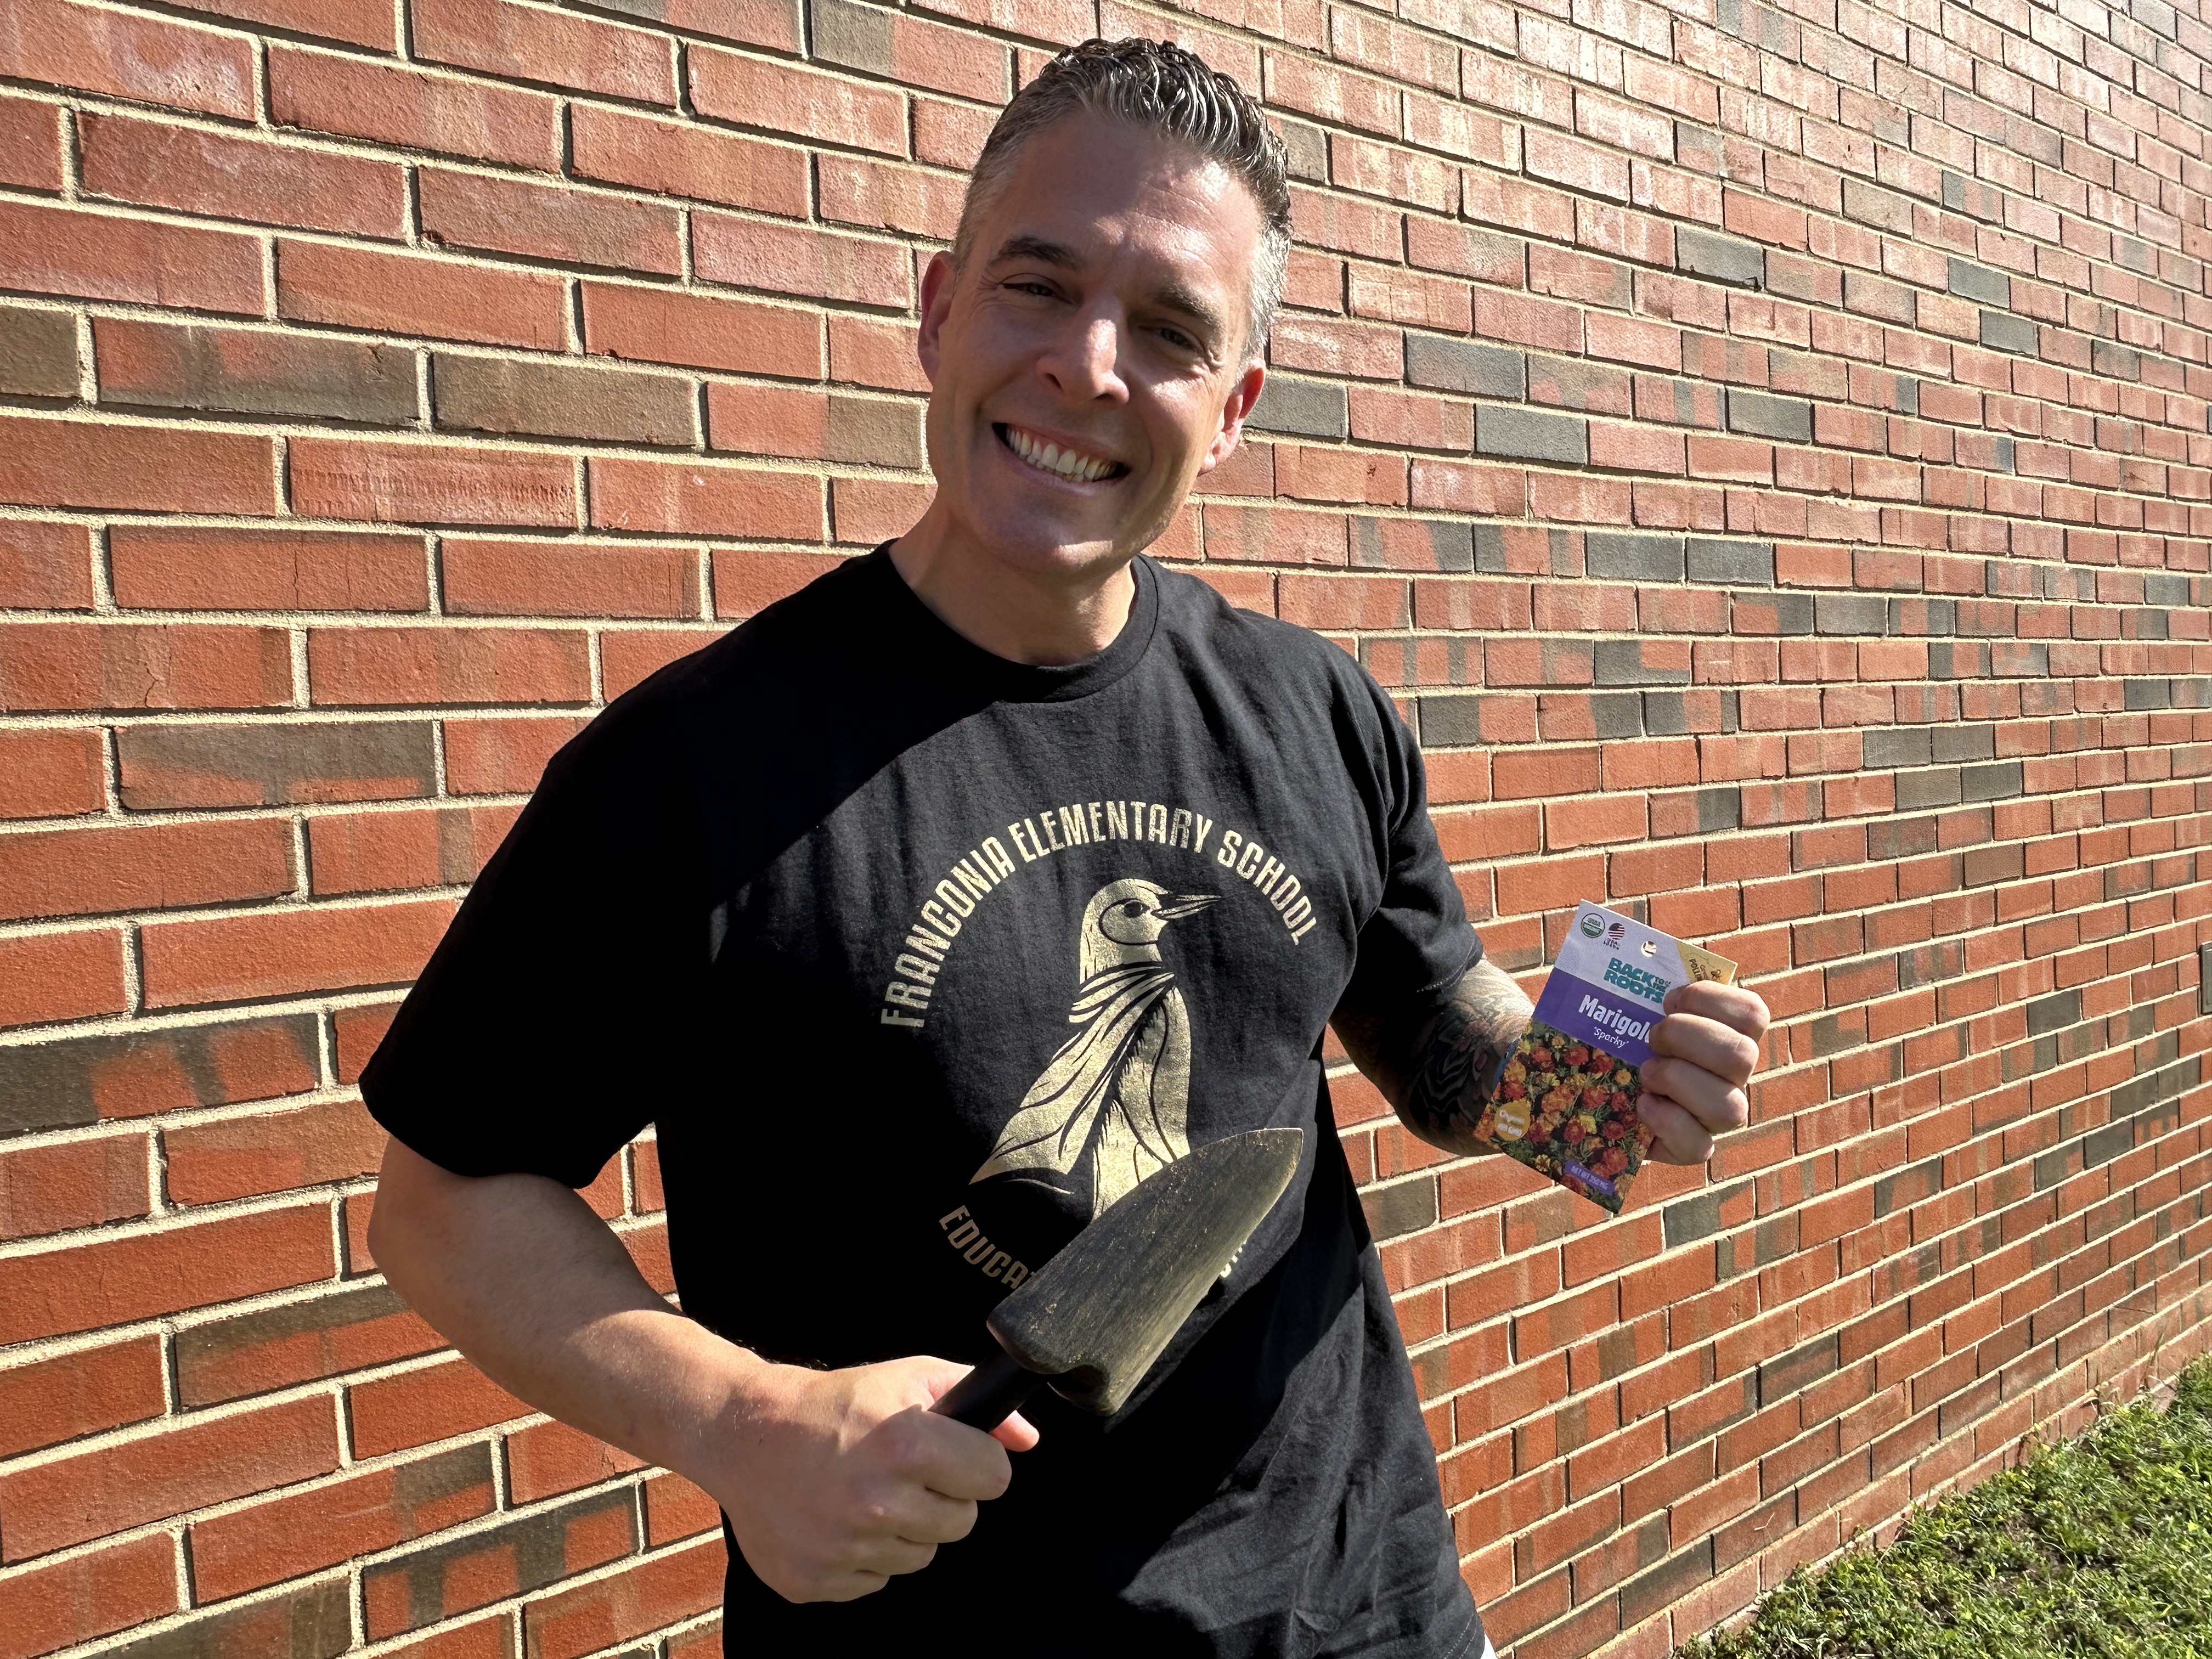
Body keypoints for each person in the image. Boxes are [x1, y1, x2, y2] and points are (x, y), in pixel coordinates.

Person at [363, 38, 1769, 1658]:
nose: (1091, 368)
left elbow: (1441, 1043)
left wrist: (1612, 1082)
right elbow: (444, 1200)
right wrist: (744, 1425)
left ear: (1232, 409)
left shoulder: (1315, 709)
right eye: (1040, 288)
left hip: (1360, 1605)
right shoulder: (692, 767)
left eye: (1171, 330)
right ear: (939, 312)